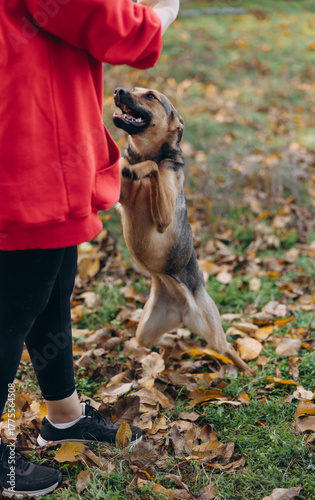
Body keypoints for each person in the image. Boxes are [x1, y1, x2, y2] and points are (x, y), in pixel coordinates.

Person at [0, 0, 179, 497]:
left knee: (52, 282)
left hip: (41, 129)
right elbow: (88, 13)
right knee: (14, 303)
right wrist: (159, 16)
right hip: (26, 140)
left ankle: (64, 415)